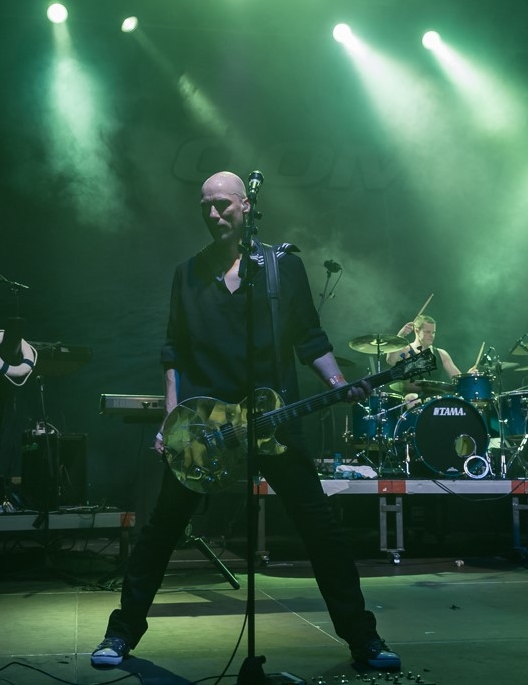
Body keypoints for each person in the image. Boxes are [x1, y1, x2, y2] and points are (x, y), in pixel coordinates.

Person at [90, 171, 401, 670]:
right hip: (204, 427)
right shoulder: (188, 274)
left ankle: (364, 639)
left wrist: (338, 383)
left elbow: (310, 339)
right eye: (206, 206)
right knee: (162, 529)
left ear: (246, 205)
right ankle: (121, 633)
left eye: (222, 204)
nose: (214, 214)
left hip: (274, 421)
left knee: (321, 531)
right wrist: (170, 418)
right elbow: (173, 352)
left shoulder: (281, 268)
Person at [386, 315, 463, 380]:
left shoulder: (441, 354)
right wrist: (400, 336)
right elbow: (391, 361)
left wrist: (468, 377)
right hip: (410, 393)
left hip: (433, 393)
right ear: (416, 330)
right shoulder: (406, 350)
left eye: (433, 332)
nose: (431, 335)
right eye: (428, 332)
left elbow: (458, 379)